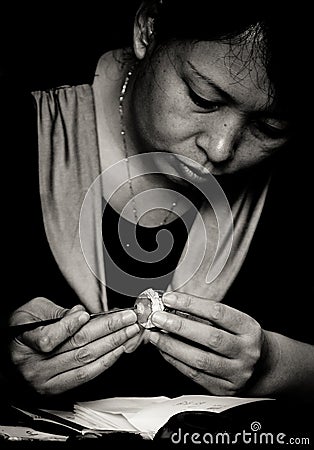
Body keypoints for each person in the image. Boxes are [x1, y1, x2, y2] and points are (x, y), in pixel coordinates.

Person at [1, 0, 313, 411]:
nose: (220, 149)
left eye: (270, 127)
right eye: (203, 98)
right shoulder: (26, 125)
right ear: (148, 30)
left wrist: (275, 366)